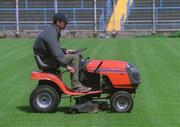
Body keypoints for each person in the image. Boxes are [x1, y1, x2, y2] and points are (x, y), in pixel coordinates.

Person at [33, 13, 91, 92]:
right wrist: (67, 66)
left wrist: (65, 51)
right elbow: (56, 53)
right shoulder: (51, 33)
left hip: (47, 56)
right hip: (46, 59)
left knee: (77, 55)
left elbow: (53, 48)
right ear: (58, 22)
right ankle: (77, 86)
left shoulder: (53, 30)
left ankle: (82, 81)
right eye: (65, 23)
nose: (66, 24)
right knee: (75, 57)